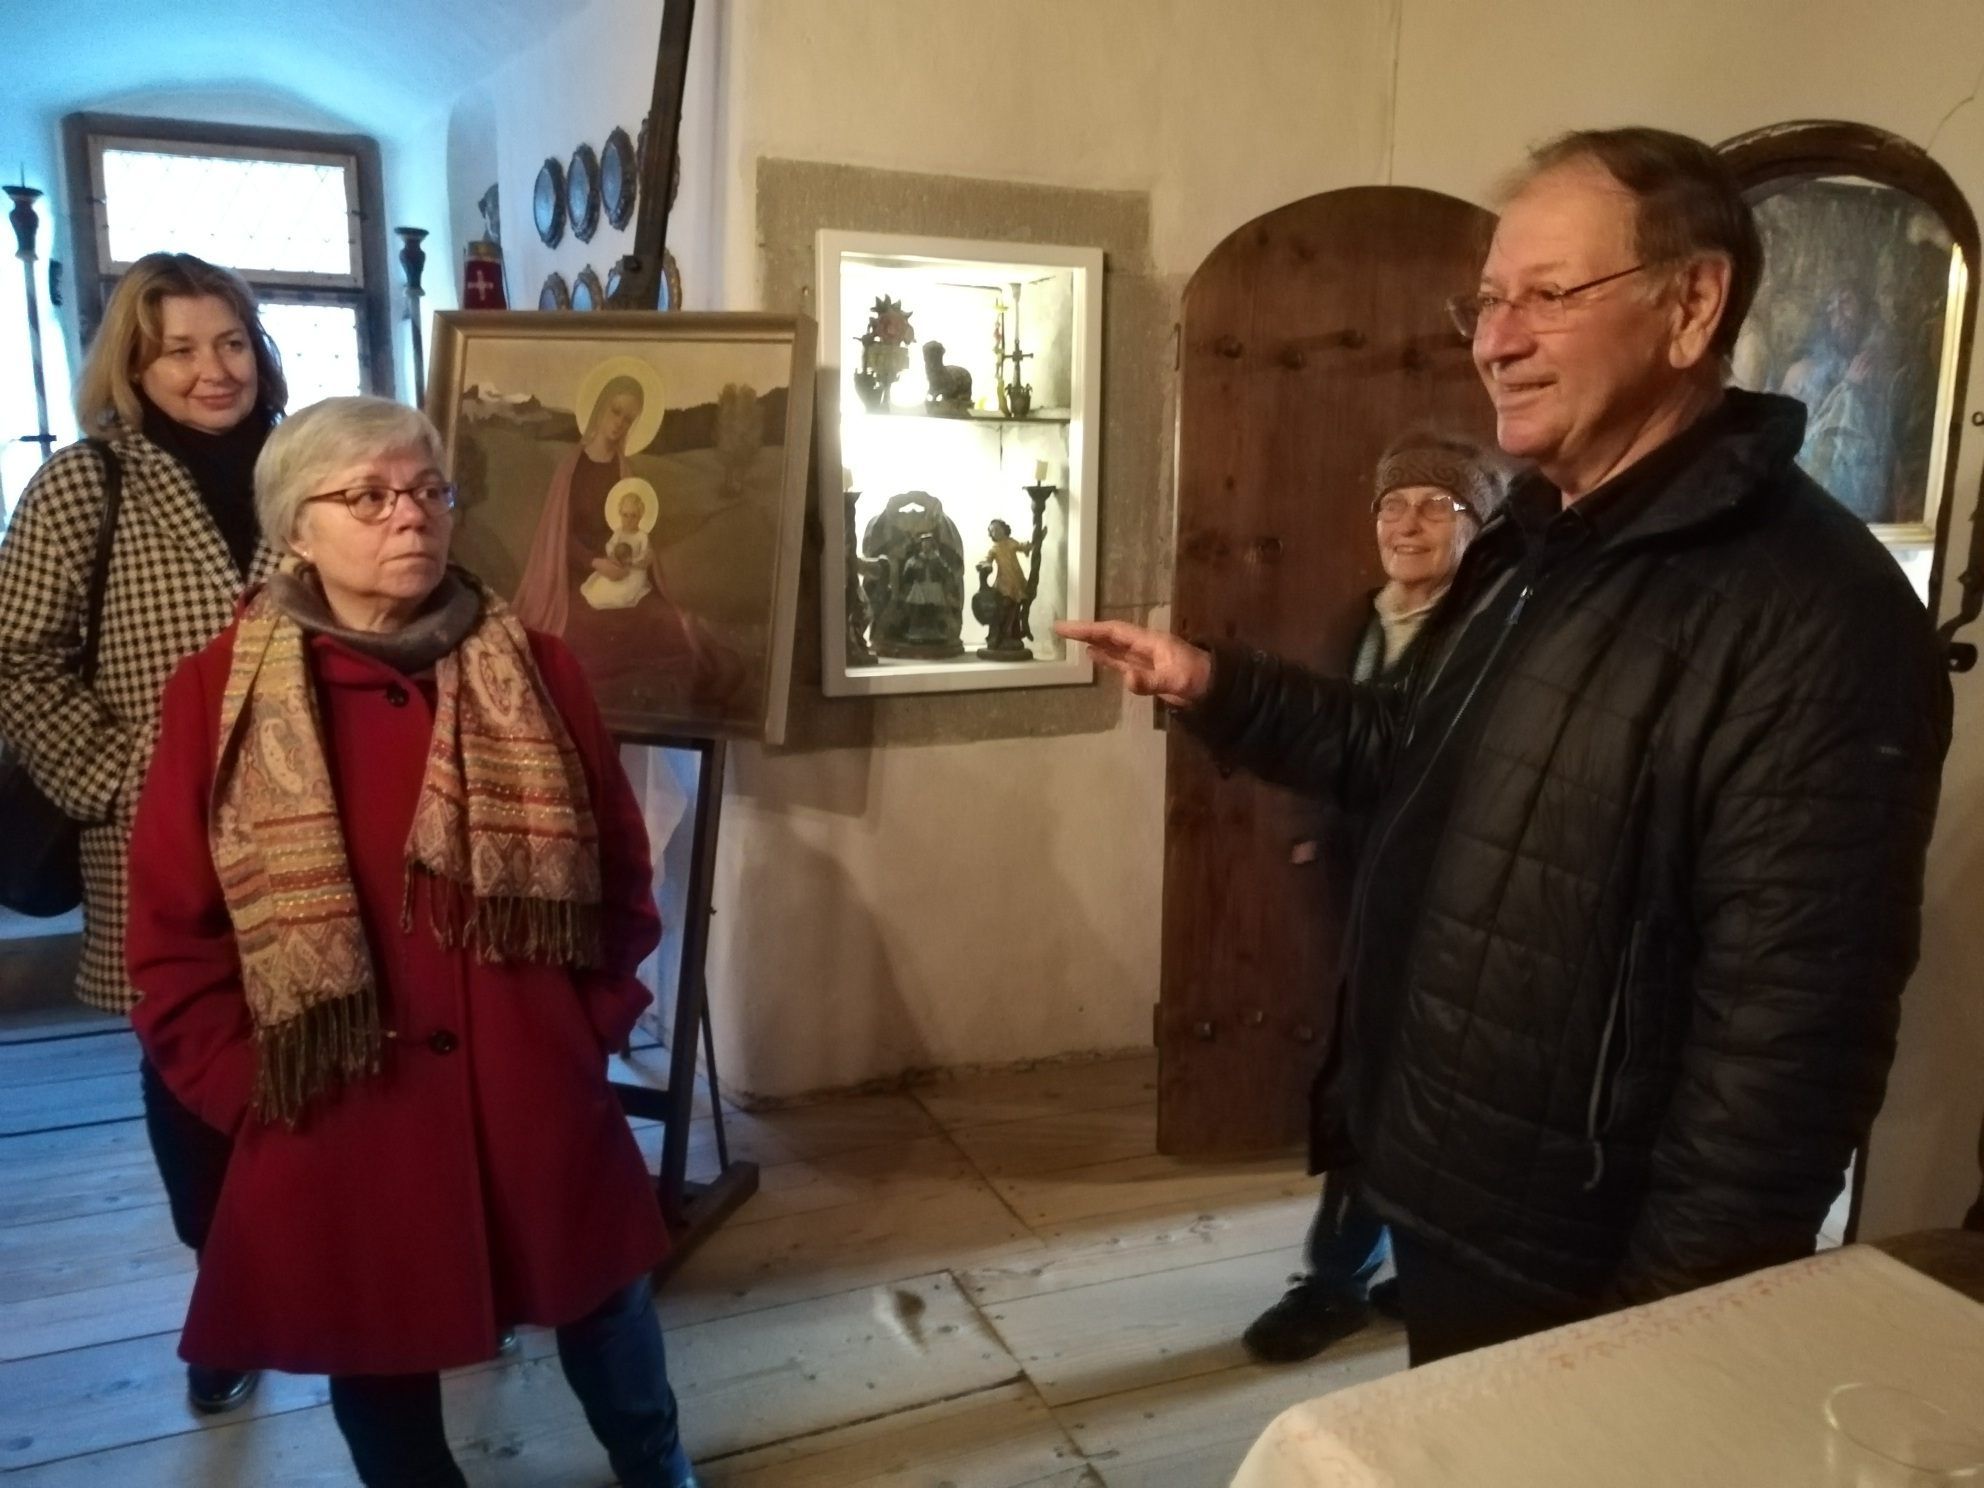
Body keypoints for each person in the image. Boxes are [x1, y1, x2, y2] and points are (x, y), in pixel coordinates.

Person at [1061, 127, 1952, 1367]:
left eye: (1547, 295)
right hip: (1445, 1182)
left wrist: (1669, 1330)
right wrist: (1215, 684)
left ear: (1691, 304)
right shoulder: (1538, 548)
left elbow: (1786, 1053)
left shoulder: (1814, 616)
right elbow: (1407, 747)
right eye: (1484, 300)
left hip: (1583, 1256)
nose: (1493, 341)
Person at [124, 396, 698, 1488]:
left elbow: (623, 876)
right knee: (373, 1338)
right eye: (371, 496)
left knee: (603, 1296)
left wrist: (587, 1029)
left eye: (429, 491)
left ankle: (658, 1467)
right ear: (297, 528)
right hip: (340, 1095)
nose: (413, 518)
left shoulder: (536, 667)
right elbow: (173, 926)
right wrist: (248, 1088)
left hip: (532, 1073)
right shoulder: (221, 692)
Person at [0, 251, 285, 1414]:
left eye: (230, 342)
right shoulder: (87, 485)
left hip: (315, 817)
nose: (212, 370)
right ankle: (231, 1296)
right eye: (180, 348)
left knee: (334, 1040)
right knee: (189, 1062)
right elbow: (18, 655)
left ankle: (356, 1264)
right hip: (158, 840)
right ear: (134, 361)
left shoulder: (307, 464)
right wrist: (130, 777)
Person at [1244, 430, 1503, 1364]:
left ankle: (1348, 1280)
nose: (1410, 522)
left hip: (1455, 897)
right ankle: (1360, 1273)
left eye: (1438, 505)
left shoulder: (1491, 636)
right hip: (1355, 888)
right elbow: (1317, 735)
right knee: (1366, 1074)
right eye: (1394, 506)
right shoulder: (1355, 619)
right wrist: (1306, 831)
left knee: (1420, 1086)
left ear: (1479, 526)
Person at [513, 371, 740, 714]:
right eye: (616, 411)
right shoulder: (571, 468)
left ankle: (693, 691)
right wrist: (595, 562)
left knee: (664, 621)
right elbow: (560, 536)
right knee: (584, 634)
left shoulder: (624, 469)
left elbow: (635, 532)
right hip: (576, 578)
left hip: (623, 576)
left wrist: (641, 557)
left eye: (629, 418)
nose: (620, 423)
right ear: (601, 407)